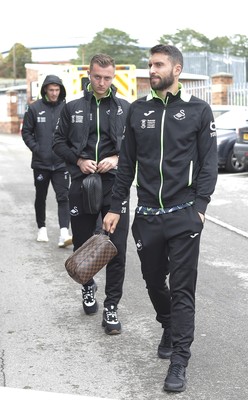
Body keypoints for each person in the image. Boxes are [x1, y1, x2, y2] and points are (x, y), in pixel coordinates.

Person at [103, 44, 218, 391]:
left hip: (184, 215)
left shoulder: (199, 110)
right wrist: (114, 205)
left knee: (183, 289)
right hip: (148, 215)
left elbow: (209, 162)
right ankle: (167, 323)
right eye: (149, 64)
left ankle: (180, 360)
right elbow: (126, 165)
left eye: (157, 64)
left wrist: (199, 207)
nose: (150, 70)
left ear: (177, 69)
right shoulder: (137, 111)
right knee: (154, 282)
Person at [53, 54, 130, 335]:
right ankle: (88, 286)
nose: (102, 82)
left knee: (117, 247)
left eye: (108, 77)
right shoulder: (72, 107)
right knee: (83, 244)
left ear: (113, 77)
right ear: (89, 74)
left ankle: (111, 307)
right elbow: (57, 142)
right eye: (97, 77)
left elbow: (136, 148)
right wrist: (78, 160)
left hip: (115, 185)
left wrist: (118, 159)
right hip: (81, 184)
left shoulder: (125, 108)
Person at [22, 75, 72, 248]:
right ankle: (41, 228)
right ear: (45, 90)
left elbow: (73, 132)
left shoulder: (66, 108)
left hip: (61, 163)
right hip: (41, 163)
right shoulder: (34, 108)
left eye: (57, 90)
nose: (54, 93)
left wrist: (68, 152)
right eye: (51, 90)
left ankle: (64, 232)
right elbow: (26, 132)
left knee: (63, 197)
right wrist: (37, 149)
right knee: (40, 196)